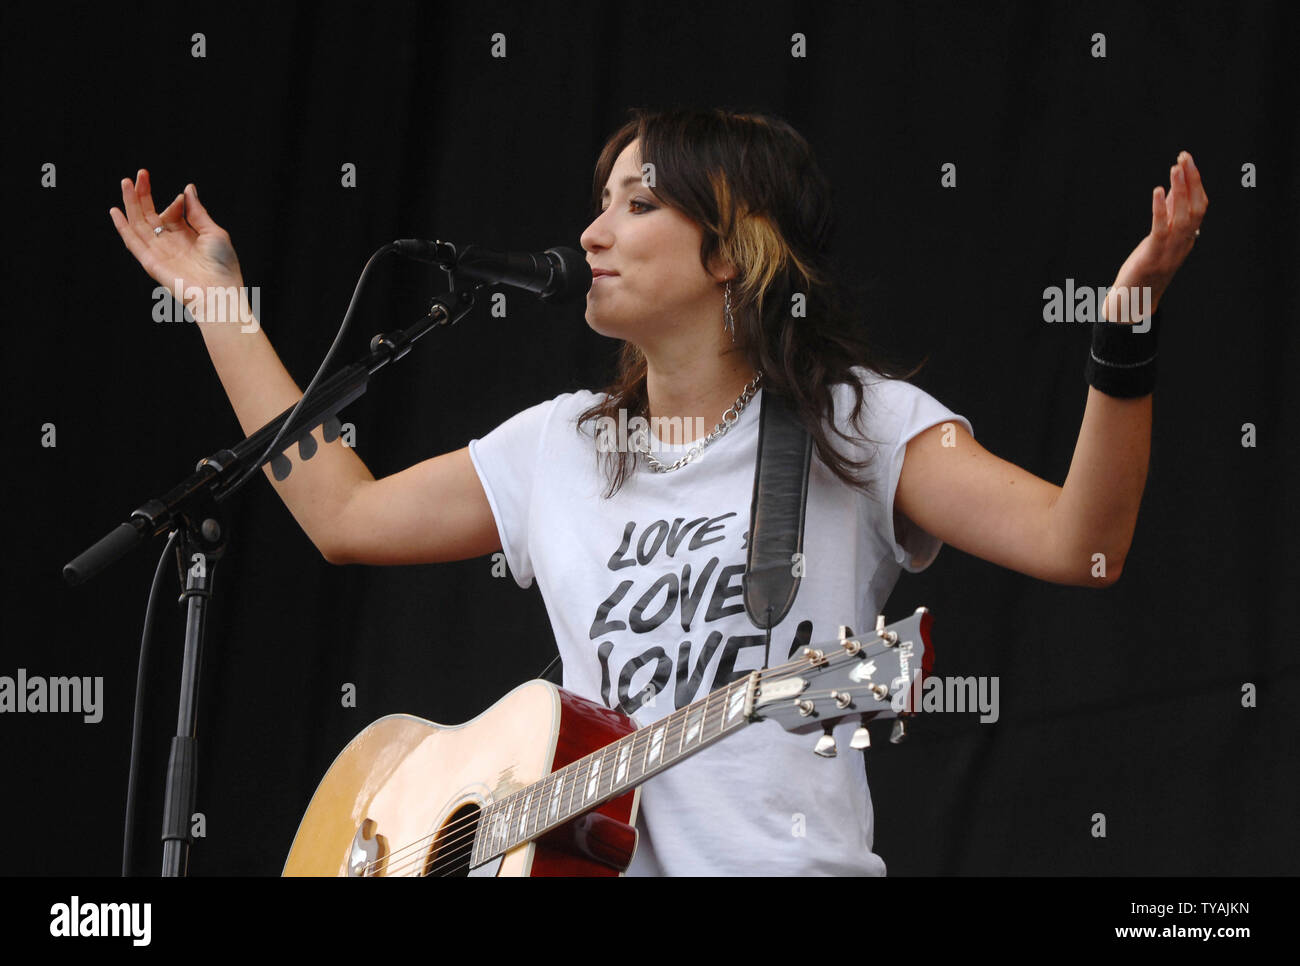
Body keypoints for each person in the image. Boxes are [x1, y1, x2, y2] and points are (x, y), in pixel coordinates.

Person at [109, 107, 1207, 876]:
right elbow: (340, 515)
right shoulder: (560, 446)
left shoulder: (852, 425)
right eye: (599, 203)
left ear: (731, 251)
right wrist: (218, 306)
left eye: (637, 204)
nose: (593, 231)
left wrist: (1123, 334)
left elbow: (1083, 544)